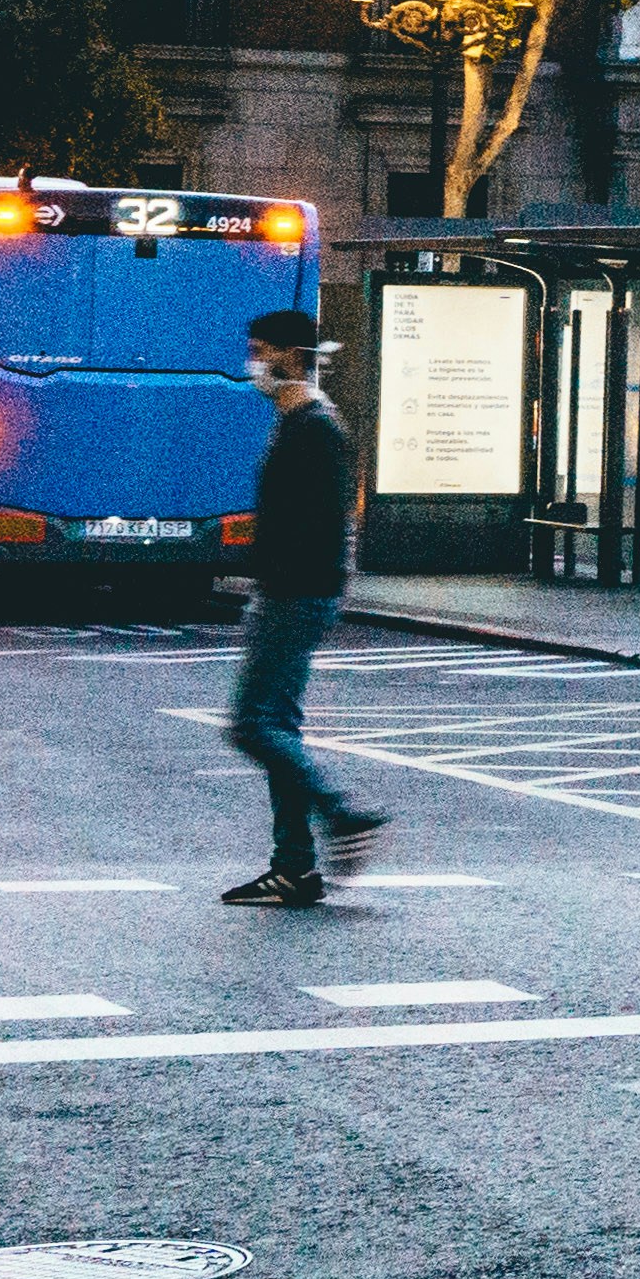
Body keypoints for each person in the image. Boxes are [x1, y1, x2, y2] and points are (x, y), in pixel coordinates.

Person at [220, 309, 386, 906]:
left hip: (294, 596)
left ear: (290, 356)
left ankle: (341, 816)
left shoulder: (316, 428)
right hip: (294, 594)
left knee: (251, 724)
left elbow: (322, 526)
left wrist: (277, 589)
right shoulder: (299, 422)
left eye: (260, 351)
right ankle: (294, 866)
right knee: (277, 726)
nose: (254, 364)